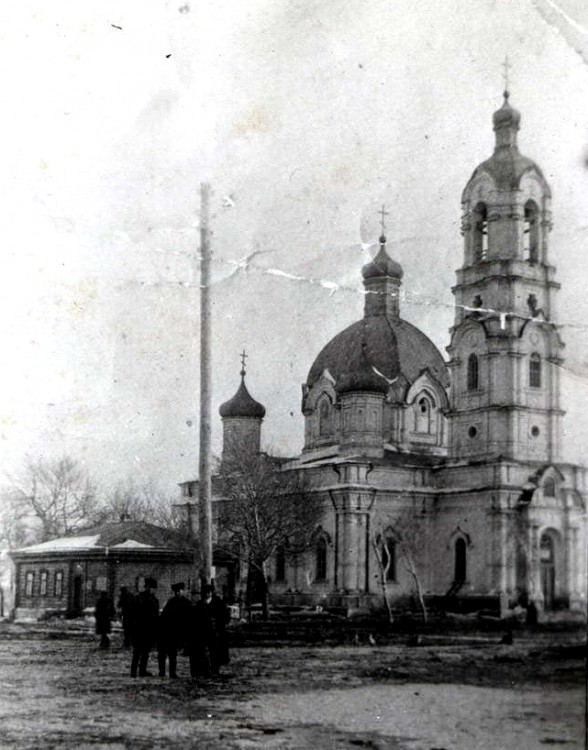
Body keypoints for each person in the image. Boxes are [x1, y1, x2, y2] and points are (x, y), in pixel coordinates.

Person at [188, 584, 230, 677]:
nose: (207, 594)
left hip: (216, 632)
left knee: (215, 651)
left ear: (212, 593)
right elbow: (195, 619)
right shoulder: (200, 604)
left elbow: (225, 616)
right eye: (205, 592)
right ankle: (205, 670)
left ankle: (215, 669)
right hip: (203, 632)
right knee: (204, 652)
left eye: (209, 592)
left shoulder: (218, 603)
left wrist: (219, 624)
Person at [157, 582, 192, 678]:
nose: (178, 593)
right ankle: (162, 671)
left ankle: (172, 673)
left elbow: (189, 620)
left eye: (180, 591)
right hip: (167, 631)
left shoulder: (187, 603)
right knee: (163, 653)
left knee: (172, 654)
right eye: (176, 591)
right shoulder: (171, 602)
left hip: (177, 632)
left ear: (183, 591)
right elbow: (164, 616)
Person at [130, 577, 159, 677]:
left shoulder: (151, 599)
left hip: (146, 629)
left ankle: (140, 670)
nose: (153, 590)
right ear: (148, 587)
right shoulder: (142, 599)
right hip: (141, 629)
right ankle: (135, 671)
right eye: (152, 588)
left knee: (144, 651)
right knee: (139, 651)